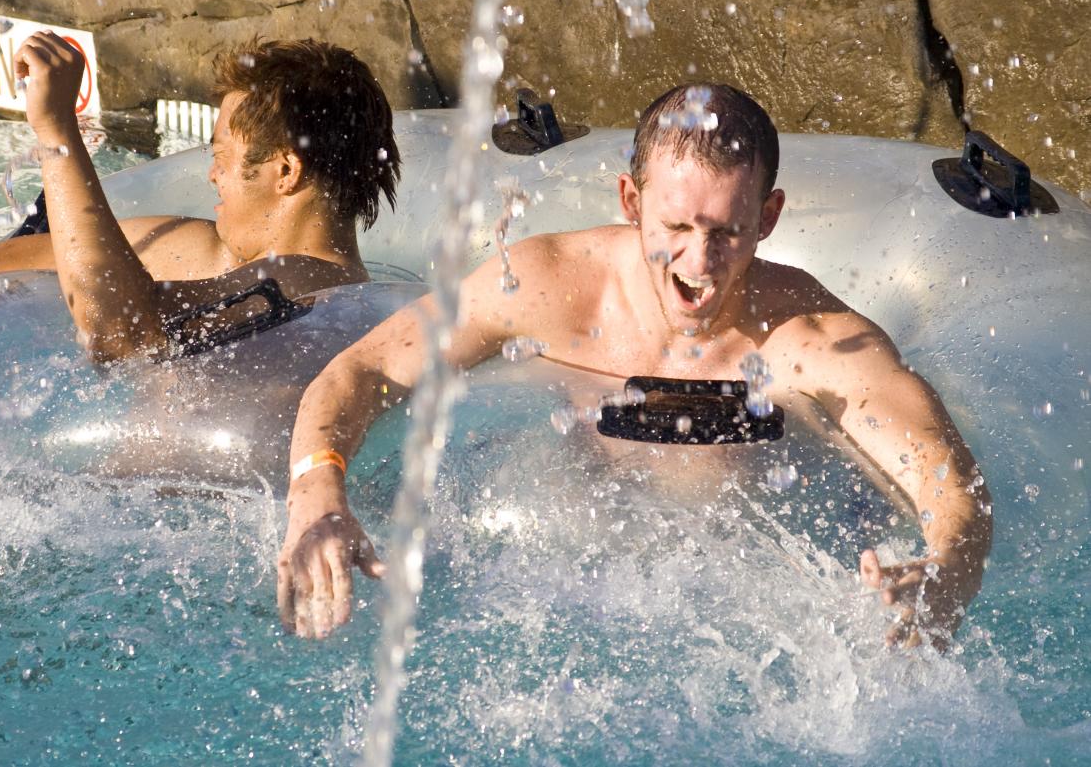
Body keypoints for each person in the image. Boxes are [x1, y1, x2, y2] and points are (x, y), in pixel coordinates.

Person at [276, 83, 993, 649]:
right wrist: (316, 490)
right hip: (537, 574)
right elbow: (360, 370)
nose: (699, 264)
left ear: (768, 217)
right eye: (675, 227)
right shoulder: (543, 284)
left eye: (727, 231)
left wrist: (948, 570)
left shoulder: (809, 339)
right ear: (630, 200)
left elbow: (944, 474)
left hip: (733, 596)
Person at [0, 33, 401, 454]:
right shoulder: (190, 245)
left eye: (222, 157)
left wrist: (57, 132)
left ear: (285, 172)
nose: (211, 174)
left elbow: (121, 336)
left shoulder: (316, 297)